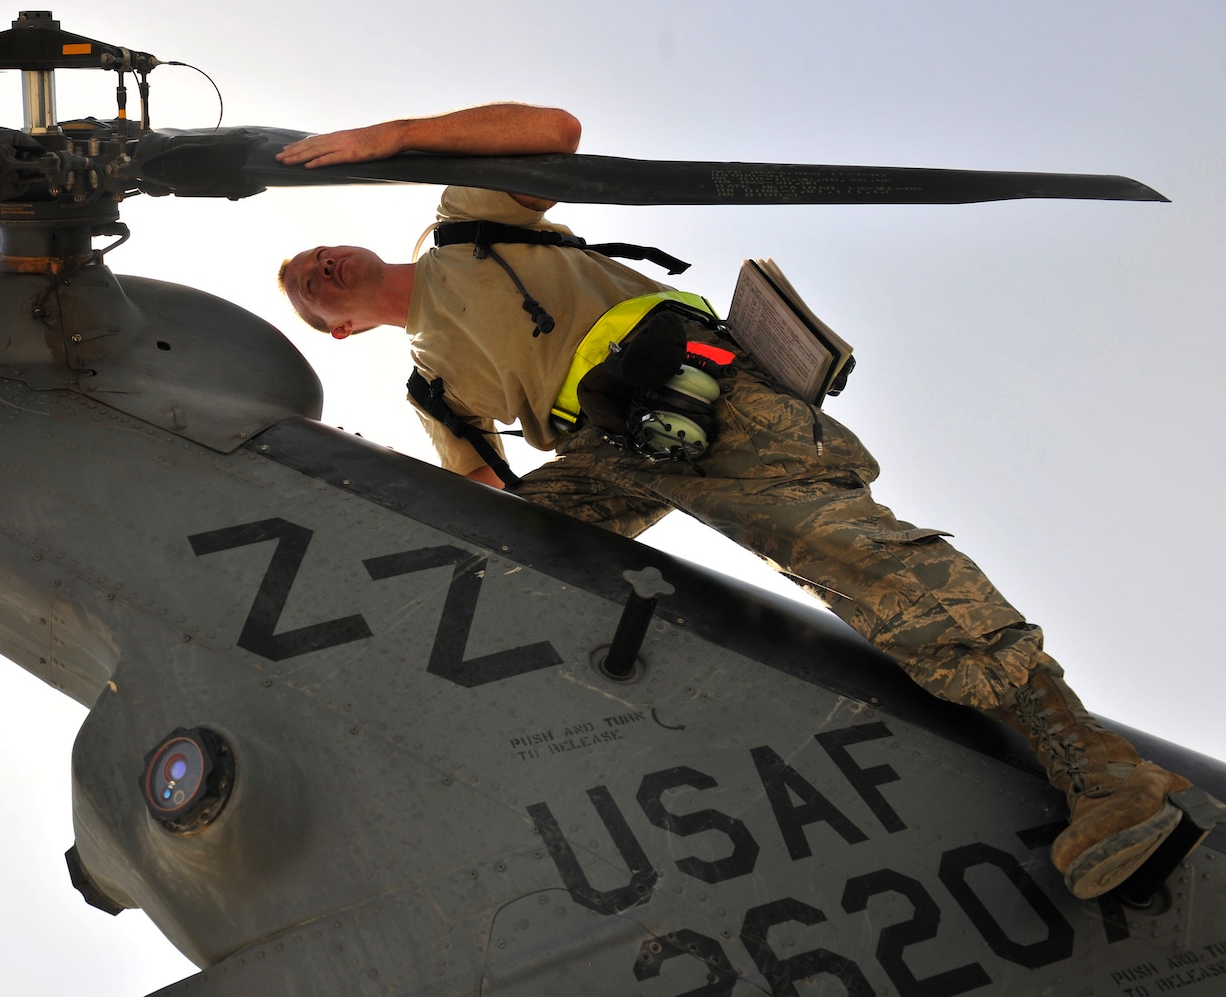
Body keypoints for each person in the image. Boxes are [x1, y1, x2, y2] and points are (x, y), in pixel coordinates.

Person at [275, 102, 1208, 900]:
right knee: (494, 558)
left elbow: (553, 130)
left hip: (698, 388)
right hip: (611, 452)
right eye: (309, 290)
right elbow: (470, 502)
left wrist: (389, 137)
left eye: (317, 254)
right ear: (340, 331)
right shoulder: (431, 389)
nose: (321, 269)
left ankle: (1101, 767)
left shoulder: (463, 225)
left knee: (848, 553)